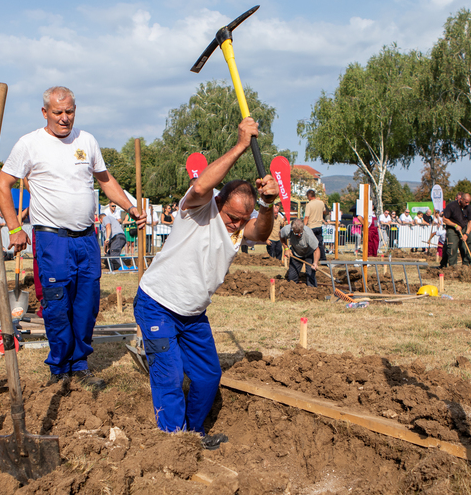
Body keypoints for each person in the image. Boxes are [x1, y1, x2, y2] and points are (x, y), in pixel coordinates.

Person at [134, 117, 277, 447]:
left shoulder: (241, 227)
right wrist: (241, 145)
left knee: (208, 376)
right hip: (157, 304)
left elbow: (262, 231)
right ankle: (173, 443)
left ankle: (193, 434)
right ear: (219, 202)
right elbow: (200, 186)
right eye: (232, 217)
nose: (237, 225)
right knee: (168, 375)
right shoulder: (197, 208)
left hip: (193, 314)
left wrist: (268, 205)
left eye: (243, 219)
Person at [0, 85, 144, 389]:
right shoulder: (30, 144)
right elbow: (2, 183)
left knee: (87, 304)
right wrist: (14, 228)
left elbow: (106, 181)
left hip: (86, 239)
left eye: (70, 112)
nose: (64, 118)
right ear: (45, 113)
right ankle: (59, 367)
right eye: (58, 112)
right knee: (57, 303)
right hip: (52, 240)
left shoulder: (86, 141)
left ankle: (80, 366)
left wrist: (130, 206)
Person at [281, 218, 321, 286]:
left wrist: (315, 263)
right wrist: (286, 248)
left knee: (310, 276)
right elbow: (281, 235)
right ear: (292, 229)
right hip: (296, 253)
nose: (299, 235)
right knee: (291, 278)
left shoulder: (308, 234)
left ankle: (312, 292)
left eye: (300, 233)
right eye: (296, 233)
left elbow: (316, 249)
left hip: (309, 254)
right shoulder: (286, 230)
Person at [440, 193, 471, 267]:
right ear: (461, 199)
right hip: (452, 229)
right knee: (452, 247)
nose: (467, 204)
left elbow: (470, 221)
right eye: (466, 202)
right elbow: (445, 219)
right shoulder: (451, 206)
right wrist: (455, 225)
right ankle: (453, 266)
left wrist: (467, 234)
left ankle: (466, 264)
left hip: (464, 228)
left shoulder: (468, 208)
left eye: (468, 202)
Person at [302, 189, 327, 261]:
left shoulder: (309, 205)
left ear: (309, 196)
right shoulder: (321, 203)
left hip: (311, 226)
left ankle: (311, 258)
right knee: (320, 243)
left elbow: (306, 217)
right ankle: (322, 258)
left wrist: (304, 226)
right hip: (319, 225)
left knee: (311, 244)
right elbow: (324, 211)